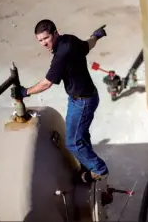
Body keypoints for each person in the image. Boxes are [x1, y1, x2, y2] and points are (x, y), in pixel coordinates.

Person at [11, 19, 109, 182]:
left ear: (56, 33)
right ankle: (87, 165)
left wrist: (25, 92)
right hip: (83, 97)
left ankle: (99, 169)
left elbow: (46, 83)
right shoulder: (70, 39)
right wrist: (96, 36)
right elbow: (88, 45)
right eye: (40, 40)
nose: (44, 43)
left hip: (83, 102)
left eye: (46, 38)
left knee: (73, 142)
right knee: (81, 135)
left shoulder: (62, 55)